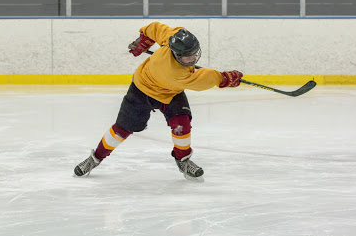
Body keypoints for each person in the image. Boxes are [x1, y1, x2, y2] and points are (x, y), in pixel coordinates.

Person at [73, 22, 243, 181]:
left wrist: (144, 39)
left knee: (181, 124)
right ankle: (95, 158)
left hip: (170, 93)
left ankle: (182, 160)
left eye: (194, 53)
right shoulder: (176, 74)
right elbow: (205, 79)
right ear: (176, 54)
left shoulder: (173, 37)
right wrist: (225, 78)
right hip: (142, 90)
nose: (192, 59)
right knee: (121, 130)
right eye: (187, 57)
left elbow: (155, 28)